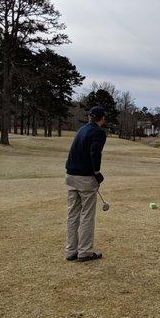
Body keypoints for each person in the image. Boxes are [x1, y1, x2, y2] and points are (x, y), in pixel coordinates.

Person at [64, 106, 108, 262]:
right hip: (85, 177)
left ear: (90, 116)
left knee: (72, 215)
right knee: (87, 215)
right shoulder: (99, 133)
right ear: (102, 118)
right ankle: (84, 252)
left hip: (70, 175)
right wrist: (97, 173)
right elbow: (95, 153)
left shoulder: (82, 129)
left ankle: (71, 251)